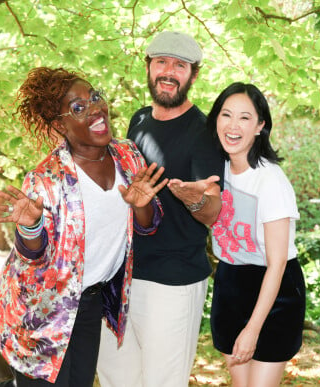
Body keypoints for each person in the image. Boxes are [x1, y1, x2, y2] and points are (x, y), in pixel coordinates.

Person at [0, 67, 167, 387]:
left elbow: (149, 224)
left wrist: (142, 205)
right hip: (38, 310)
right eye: (79, 108)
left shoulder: (128, 156)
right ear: (61, 125)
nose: (96, 108)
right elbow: (34, 255)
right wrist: (31, 225)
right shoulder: (46, 180)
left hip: (87, 303)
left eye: (95, 97)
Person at [97, 31, 224, 387]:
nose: (169, 71)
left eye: (180, 65)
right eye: (161, 62)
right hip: (121, 276)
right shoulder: (138, 120)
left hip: (172, 282)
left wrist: (194, 198)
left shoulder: (205, 133)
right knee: (117, 380)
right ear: (148, 67)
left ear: (193, 75)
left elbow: (212, 211)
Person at [207, 82, 306, 386]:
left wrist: (252, 329)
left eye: (245, 118)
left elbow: (277, 264)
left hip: (273, 292)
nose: (233, 125)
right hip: (230, 286)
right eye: (226, 115)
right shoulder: (215, 167)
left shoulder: (270, 181)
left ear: (260, 126)